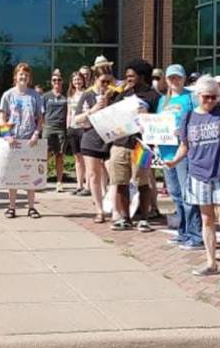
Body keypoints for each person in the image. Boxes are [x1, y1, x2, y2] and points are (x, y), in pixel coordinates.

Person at [166, 75, 220, 276]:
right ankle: (211, 261)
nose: (210, 101)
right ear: (198, 96)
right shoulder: (188, 117)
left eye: (214, 97)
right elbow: (184, 146)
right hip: (198, 173)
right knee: (207, 219)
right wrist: (174, 161)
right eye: (206, 97)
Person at [108, 60, 160, 233]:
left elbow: (160, 122)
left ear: (142, 76)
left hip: (142, 146)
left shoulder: (153, 96)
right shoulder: (124, 94)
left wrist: (147, 116)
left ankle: (144, 218)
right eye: (126, 76)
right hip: (120, 143)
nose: (127, 79)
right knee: (120, 181)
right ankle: (125, 218)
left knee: (142, 181)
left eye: (131, 76)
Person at [157, 64, 203, 251]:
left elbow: (199, 120)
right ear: (166, 80)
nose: (174, 81)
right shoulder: (163, 101)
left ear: (184, 79)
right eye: (171, 78)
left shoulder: (191, 98)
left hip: (184, 152)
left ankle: (196, 235)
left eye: (178, 77)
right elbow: (157, 123)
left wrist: (183, 131)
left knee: (187, 194)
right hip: (166, 152)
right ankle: (183, 232)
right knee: (175, 194)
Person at [0, 63, 44, 218]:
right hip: (14, 140)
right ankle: (11, 206)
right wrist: (6, 135)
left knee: (30, 175)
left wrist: (36, 134)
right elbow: (1, 116)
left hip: (30, 139)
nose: (23, 77)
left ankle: (31, 207)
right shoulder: (8, 95)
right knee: (13, 175)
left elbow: (40, 118)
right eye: (20, 74)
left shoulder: (35, 96)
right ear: (15, 77)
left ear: (29, 78)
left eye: (26, 75)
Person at [74, 63, 114, 223]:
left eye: (109, 81)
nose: (106, 85)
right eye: (103, 81)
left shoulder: (114, 94)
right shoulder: (87, 95)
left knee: (115, 174)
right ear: (95, 79)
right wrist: (93, 109)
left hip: (111, 138)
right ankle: (99, 210)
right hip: (91, 139)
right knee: (93, 175)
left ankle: (115, 206)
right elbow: (77, 119)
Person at [42, 69, 69, 193]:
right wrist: (42, 126)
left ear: (62, 82)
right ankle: (41, 180)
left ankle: (59, 182)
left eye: (58, 80)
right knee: (45, 155)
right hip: (48, 128)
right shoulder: (46, 96)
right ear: (51, 82)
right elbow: (41, 113)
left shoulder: (66, 97)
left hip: (61, 129)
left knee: (60, 155)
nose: (56, 82)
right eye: (54, 80)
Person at [66, 69, 88, 196]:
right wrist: (68, 127)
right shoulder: (71, 95)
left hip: (83, 128)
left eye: (79, 79)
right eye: (75, 80)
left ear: (83, 80)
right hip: (73, 128)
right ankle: (79, 184)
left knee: (86, 157)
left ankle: (87, 185)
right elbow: (69, 112)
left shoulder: (87, 93)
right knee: (77, 158)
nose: (77, 82)